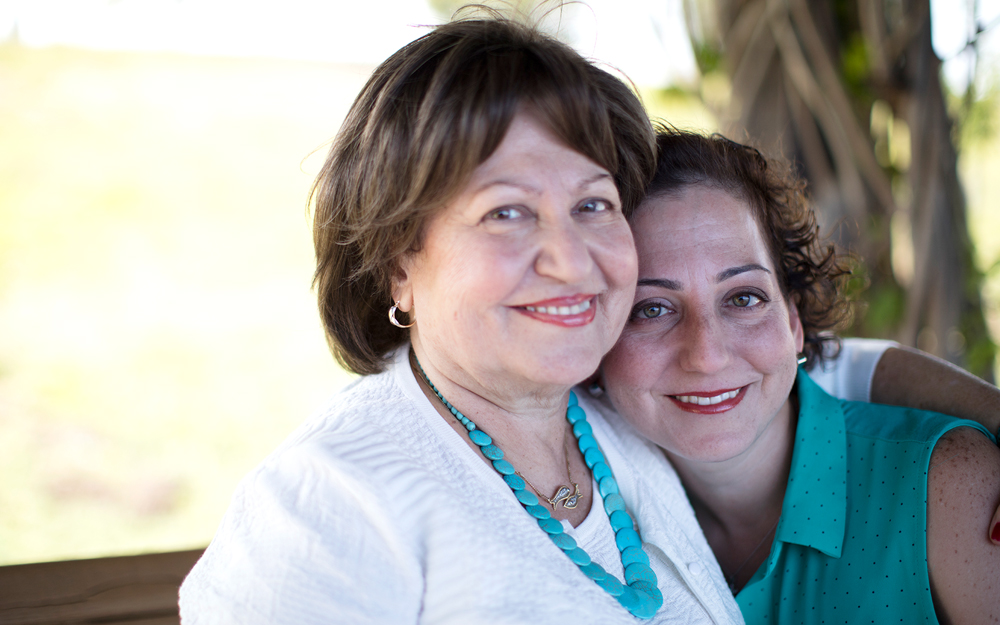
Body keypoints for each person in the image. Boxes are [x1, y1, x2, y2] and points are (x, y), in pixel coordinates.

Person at [179, 17, 745, 623]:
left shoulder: (623, 416)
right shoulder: (324, 509)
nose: (573, 260)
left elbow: (794, 367)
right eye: (506, 212)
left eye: (592, 204)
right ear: (399, 266)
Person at [599, 129, 1000, 623]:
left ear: (793, 324)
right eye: (652, 308)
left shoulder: (949, 487)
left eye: (743, 298)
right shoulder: (589, 521)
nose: (706, 355)